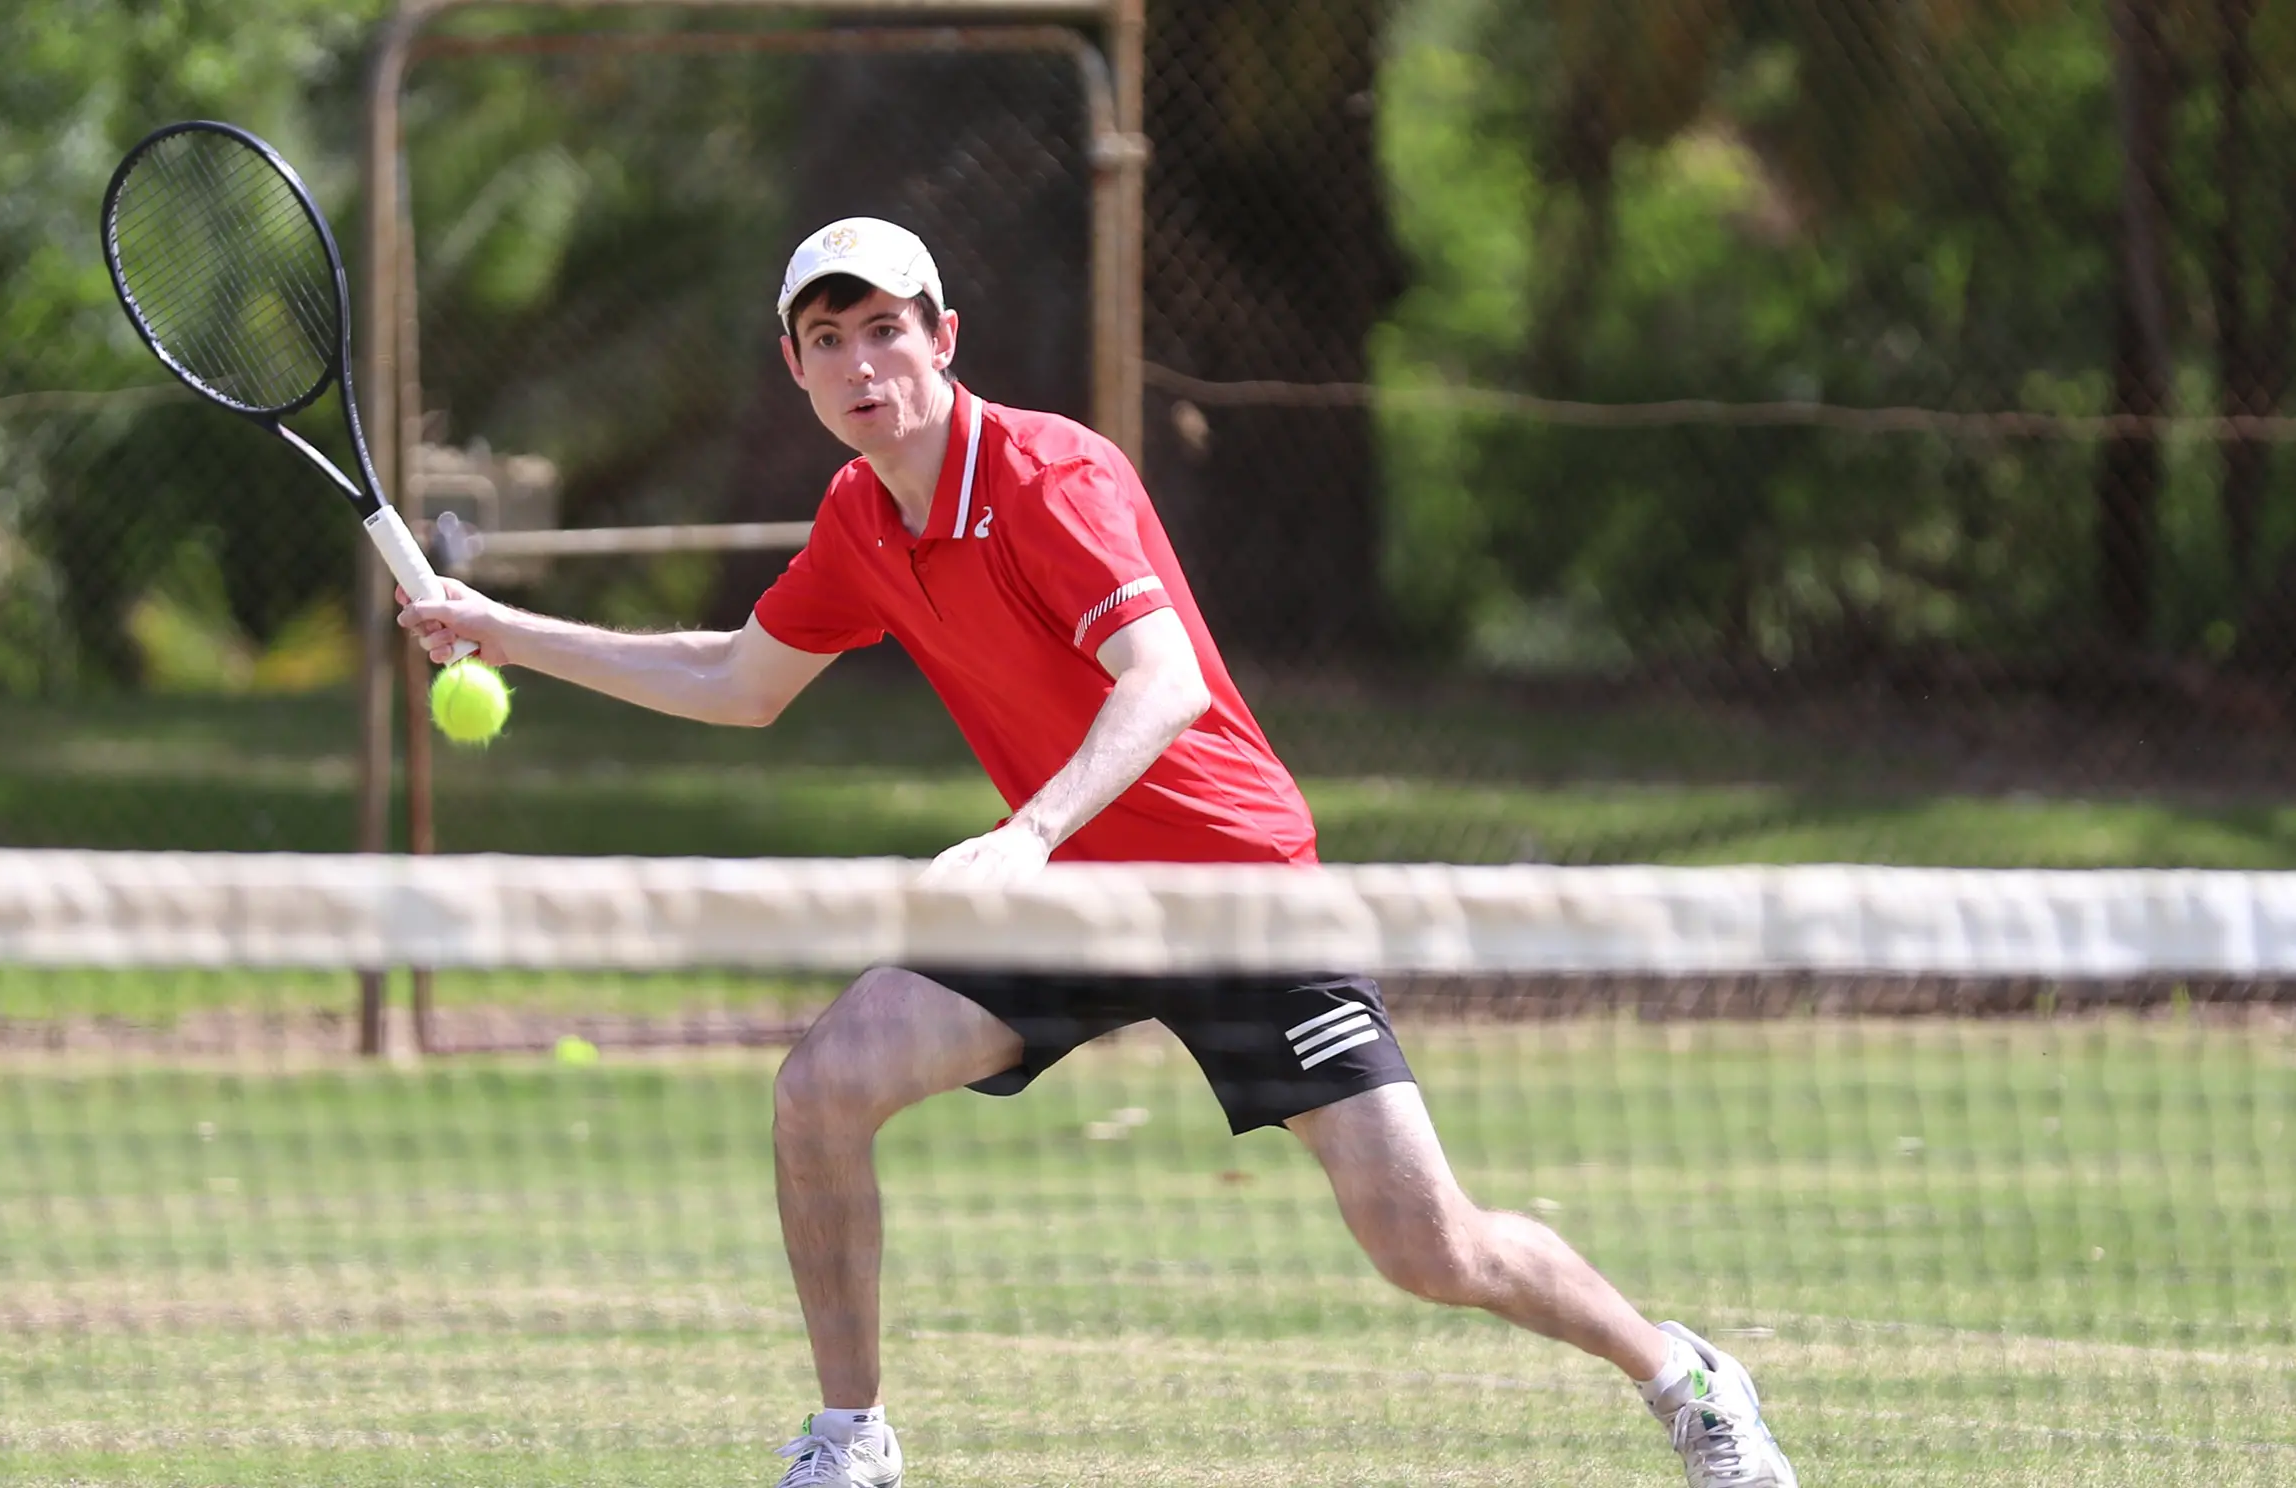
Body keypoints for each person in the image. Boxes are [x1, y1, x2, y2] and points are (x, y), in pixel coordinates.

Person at [396, 217, 1799, 1488]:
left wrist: (1028, 832)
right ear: (796, 368)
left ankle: (1682, 1380)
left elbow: (1164, 681)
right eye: (826, 339)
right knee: (822, 1088)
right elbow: (737, 679)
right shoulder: (858, 518)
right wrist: (504, 629)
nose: (859, 360)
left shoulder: (1052, 474)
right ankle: (849, 1441)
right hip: (1064, 898)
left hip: (1224, 890)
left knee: (1427, 1245)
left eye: (884, 326)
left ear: (941, 339)